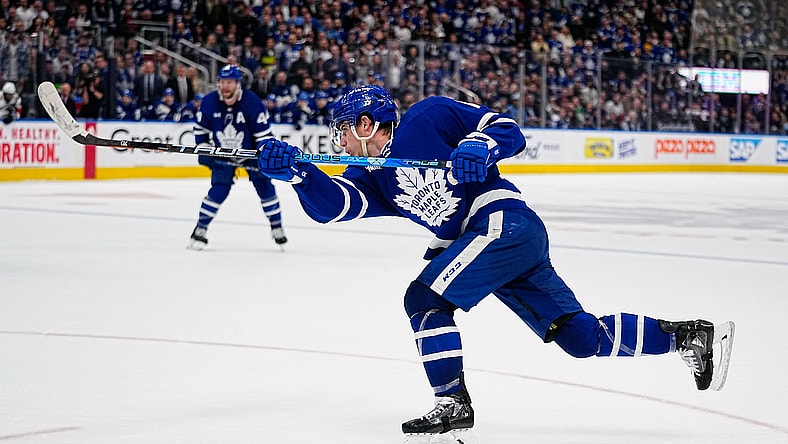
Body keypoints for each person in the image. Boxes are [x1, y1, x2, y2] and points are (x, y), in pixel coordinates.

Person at [256, 85, 735, 439]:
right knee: (578, 338)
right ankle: (687, 336)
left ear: (365, 124)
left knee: (423, 300)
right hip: (495, 245)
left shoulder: (428, 116)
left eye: (342, 130)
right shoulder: (372, 175)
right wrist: (299, 174)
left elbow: (506, 128)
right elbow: (333, 207)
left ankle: (452, 402)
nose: (339, 142)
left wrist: (480, 145)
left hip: (502, 224)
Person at [189, 64, 288, 250]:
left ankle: (277, 227)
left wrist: (263, 152)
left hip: (250, 153)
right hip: (223, 154)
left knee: (265, 187)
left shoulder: (252, 102)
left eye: (230, 82)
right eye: (222, 82)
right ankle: (200, 229)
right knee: (219, 189)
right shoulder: (209, 101)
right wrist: (204, 149)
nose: (225, 86)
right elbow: (201, 130)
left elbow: (263, 135)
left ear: (238, 84)